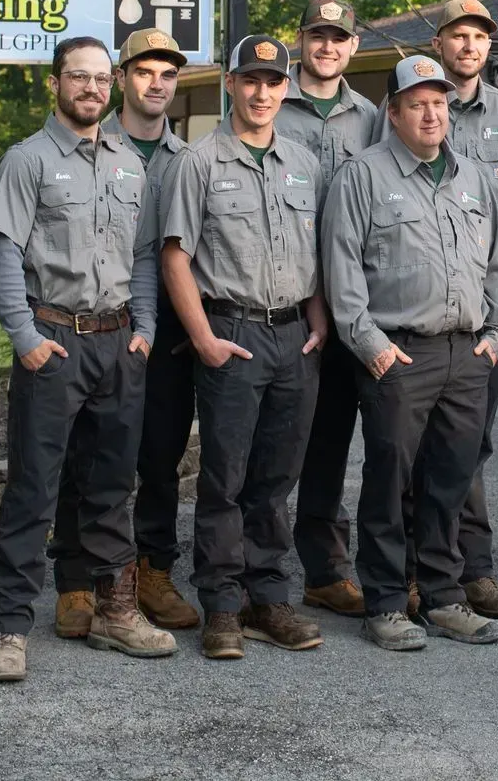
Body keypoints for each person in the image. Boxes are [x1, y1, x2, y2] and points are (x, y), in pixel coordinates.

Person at [0, 37, 173, 682]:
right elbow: (5, 253)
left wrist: (144, 328)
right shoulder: (27, 161)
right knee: (34, 488)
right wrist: (24, 336)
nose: (90, 88)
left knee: (114, 487)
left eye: (99, 78)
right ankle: (8, 628)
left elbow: (145, 255)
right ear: (56, 83)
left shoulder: (129, 163)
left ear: (111, 83)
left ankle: (117, 613)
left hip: (119, 345)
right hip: (53, 341)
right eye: (77, 77)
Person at [323, 55, 498, 651]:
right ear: (394, 112)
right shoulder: (362, 175)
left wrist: (497, 332)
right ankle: (384, 603)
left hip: (467, 354)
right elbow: (341, 271)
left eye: (438, 102)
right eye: (417, 103)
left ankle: (444, 596)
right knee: (389, 482)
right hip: (399, 356)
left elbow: (496, 266)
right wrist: (371, 347)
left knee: (450, 481)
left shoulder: (473, 177)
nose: (431, 112)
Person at [161, 34, 331, 659]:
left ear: (286, 89)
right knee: (226, 478)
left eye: (274, 81)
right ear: (230, 84)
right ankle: (223, 606)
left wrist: (318, 323)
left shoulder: (304, 163)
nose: (263, 92)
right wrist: (203, 337)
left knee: (276, 478)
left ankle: (269, 598)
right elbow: (175, 256)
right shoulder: (199, 162)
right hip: (231, 332)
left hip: (295, 337)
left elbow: (314, 253)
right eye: (251, 80)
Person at [49, 28, 198, 635]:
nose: (156, 83)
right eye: (144, 72)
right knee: (87, 457)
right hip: (101, 327)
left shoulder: (190, 157)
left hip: (170, 330)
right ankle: (78, 581)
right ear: (122, 78)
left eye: (167, 74)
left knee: (160, 458)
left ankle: (150, 571)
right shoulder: (89, 142)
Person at [405, 0, 498, 622]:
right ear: (439, 43)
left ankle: (473, 568)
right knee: (414, 443)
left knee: (471, 441)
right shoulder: (410, 103)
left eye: (479, 37)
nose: (469, 46)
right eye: (457, 35)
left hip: (487, 304)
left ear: (489, 46)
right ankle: (416, 569)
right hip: (423, 306)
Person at [277, 0, 383, 621]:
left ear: (353, 48)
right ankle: (244, 566)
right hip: (286, 299)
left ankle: (326, 568)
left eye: (338, 37)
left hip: (351, 301)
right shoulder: (267, 102)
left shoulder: (371, 118)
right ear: (301, 40)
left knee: (339, 439)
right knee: (282, 441)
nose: (327, 46)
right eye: (317, 35)